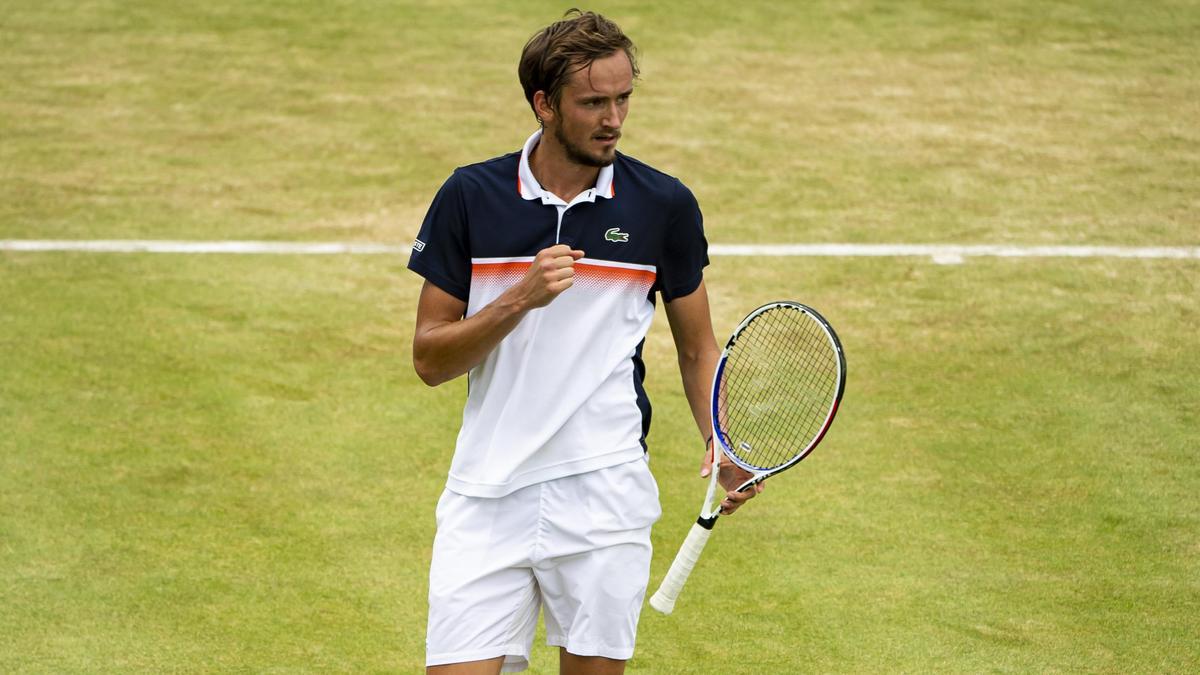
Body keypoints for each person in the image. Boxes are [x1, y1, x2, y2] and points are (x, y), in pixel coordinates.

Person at [408, 10, 761, 674]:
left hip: (604, 496)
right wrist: (520, 295)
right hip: (486, 497)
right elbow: (430, 359)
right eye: (593, 102)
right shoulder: (470, 196)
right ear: (544, 104)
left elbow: (696, 347)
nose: (614, 119)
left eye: (623, 98)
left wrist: (724, 440)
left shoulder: (663, 205)